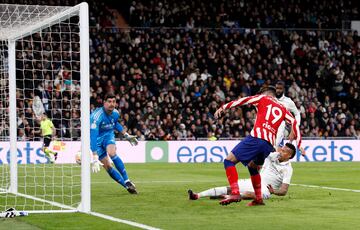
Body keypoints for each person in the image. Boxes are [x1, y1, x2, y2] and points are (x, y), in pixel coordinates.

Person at [214, 86, 304, 206]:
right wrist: (299, 145)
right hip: (268, 145)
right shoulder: (283, 109)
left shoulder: (262, 98)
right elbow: (294, 123)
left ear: (267, 94)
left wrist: (224, 107)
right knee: (253, 167)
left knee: (229, 161)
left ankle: (235, 193)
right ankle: (258, 199)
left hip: (257, 138)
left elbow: (243, 100)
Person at [188, 143, 296, 201]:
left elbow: (283, 191)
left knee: (251, 194)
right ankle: (197, 195)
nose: (281, 152)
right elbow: (261, 154)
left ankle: (227, 197)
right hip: (255, 181)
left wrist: (273, 192)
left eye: (284, 151)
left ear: (289, 155)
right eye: (281, 149)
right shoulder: (273, 155)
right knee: (230, 188)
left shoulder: (288, 169)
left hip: (266, 189)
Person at [90, 94, 139, 194]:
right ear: (104, 103)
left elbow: (115, 123)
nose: (112, 104)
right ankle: (127, 187)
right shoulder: (96, 117)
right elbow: (93, 136)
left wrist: (126, 135)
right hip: (97, 140)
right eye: (109, 101)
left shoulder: (115, 113)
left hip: (108, 136)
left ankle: (127, 180)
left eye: (114, 101)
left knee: (112, 152)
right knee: (108, 167)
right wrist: (94, 155)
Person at [275, 81, 301, 147]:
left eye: (280, 88)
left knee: (276, 152)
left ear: (283, 89)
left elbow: (297, 114)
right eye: (277, 88)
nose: (278, 90)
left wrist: (295, 128)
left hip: (280, 130)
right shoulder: (270, 98)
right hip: (268, 128)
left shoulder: (288, 101)